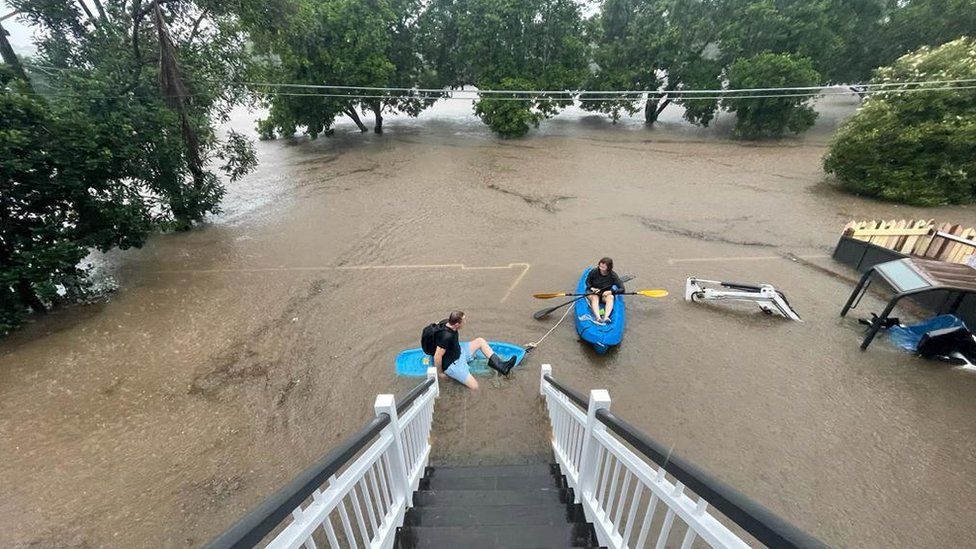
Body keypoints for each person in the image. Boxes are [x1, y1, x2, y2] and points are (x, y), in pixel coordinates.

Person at [433, 310, 516, 390]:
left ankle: (501, 366)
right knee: (475, 387)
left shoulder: (446, 322)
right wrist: (440, 373)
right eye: (463, 321)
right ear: (457, 324)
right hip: (453, 364)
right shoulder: (446, 337)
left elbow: (436, 324)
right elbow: (437, 356)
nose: (465, 322)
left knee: (480, 341)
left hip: (459, 352)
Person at [586, 257, 625, 324]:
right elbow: (587, 282)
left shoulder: (613, 275)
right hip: (593, 292)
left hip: (604, 294)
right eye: (600, 266)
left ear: (608, 268)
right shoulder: (594, 271)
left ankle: (606, 317)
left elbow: (622, 289)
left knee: (611, 297)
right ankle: (598, 318)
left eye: (603, 267)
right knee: (595, 298)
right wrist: (592, 288)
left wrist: (611, 292)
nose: (601, 269)